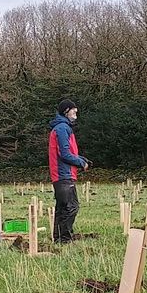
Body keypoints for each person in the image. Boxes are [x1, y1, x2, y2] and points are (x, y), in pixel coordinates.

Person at [47, 99, 89, 243]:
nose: (76, 111)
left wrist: (82, 159)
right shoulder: (62, 129)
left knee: (62, 208)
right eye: (73, 109)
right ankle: (65, 239)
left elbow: (68, 152)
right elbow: (64, 154)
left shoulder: (62, 128)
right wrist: (81, 163)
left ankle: (59, 238)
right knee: (71, 207)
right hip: (63, 175)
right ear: (66, 111)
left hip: (60, 175)